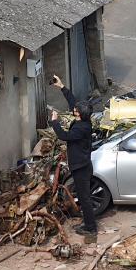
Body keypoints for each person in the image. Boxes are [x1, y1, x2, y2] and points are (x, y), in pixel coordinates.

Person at [49, 74, 97, 236]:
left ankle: (90, 227)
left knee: (85, 198)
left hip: (81, 167)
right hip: (82, 164)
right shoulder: (84, 119)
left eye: (75, 111)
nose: (73, 110)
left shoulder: (81, 128)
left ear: (79, 115)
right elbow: (73, 103)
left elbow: (64, 136)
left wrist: (54, 121)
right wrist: (62, 86)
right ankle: (88, 223)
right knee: (84, 197)